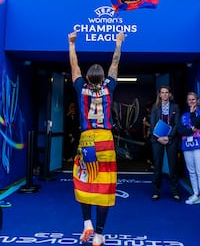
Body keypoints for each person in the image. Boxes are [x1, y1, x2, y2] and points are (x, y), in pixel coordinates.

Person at [68, 30, 125, 246]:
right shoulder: (109, 87)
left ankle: (86, 222)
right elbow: (115, 62)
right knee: (104, 185)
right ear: (102, 78)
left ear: (88, 77)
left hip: (87, 140)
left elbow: (74, 66)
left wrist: (72, 44)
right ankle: (99, 234)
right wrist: (118, 43)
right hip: (105, 140)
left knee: (84, 179)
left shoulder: (80, 87)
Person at [150, 85, 181, 201]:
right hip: (157, 139)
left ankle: (175, 191)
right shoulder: (155, 107)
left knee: (173, 166)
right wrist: (158, 138)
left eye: (167, 92)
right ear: (159, 94)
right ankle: (156, 191)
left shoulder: (175, 107)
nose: (164, 94)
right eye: (162, 92)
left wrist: (169, 136)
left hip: (171, 139)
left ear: (170, 94)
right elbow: (152, 124)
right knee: (157, 166)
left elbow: (177, 124)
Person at [177, 92, 200, 206]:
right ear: (187, 101)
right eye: (189, 100)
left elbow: (197, 123)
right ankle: (196, 194)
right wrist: (191, 130)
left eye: (193, 99)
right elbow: (180, 130)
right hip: (187, 145)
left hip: (199, 145)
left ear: (198, 101)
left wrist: (192, 113)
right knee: (191, 171)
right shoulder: (183, 116)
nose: (192, 102)